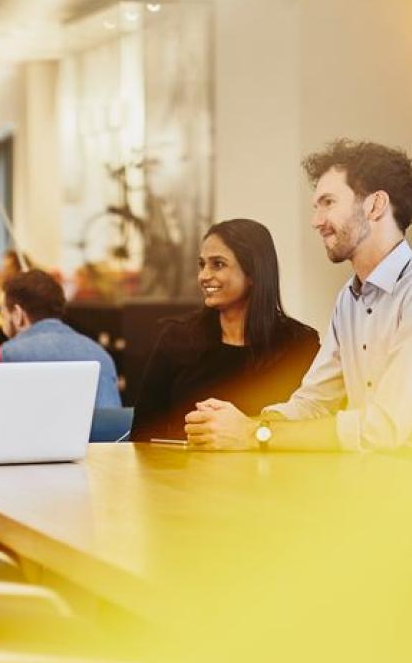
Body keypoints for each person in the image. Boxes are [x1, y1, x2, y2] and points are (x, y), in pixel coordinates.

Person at [186, 139, 412, 451]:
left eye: (328, 202)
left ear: (375, 205)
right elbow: (314, 402)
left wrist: (254, 435)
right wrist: (239, 423)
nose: (316, 221)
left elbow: (383, 430)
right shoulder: (349, 298)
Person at [129, 218, 319, 441]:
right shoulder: (176, 338)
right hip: (184, 473)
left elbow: (309, 431)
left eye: (217, 264)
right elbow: (143, 435)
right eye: (202, 265)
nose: (204, 276)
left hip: (267, 474)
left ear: (252, 274)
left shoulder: (299, 345)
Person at [0, 269, 122, 410]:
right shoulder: (101, 356)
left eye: (3, 315)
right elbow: (112, 425)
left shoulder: (6, 356)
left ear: (17, 314)